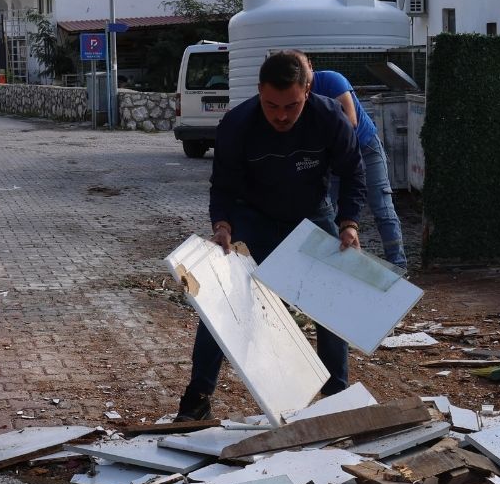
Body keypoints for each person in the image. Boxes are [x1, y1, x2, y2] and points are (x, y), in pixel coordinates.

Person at [175, 50, 366, 422]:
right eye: (271, 104)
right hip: (254, 217)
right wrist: (223, 225)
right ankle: (196, 398)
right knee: (221, 302)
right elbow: (223, 184)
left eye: (291, 106)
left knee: (330, 302)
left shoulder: (329, 118)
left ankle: (334, 398)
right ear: (259, 91)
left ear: (307, 92)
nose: (281, 115)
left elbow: (353, 173)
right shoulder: (237, 124)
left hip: (311, 216)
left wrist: (349, 223)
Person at [308, 64, 409, 271]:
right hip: (334, 154)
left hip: (364, 145)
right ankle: (347, 268)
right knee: (334, 212)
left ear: (310, 66)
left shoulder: (331, 80)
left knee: (382, 205)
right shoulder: (298, 93)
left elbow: (351, 122)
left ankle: (399, 268)